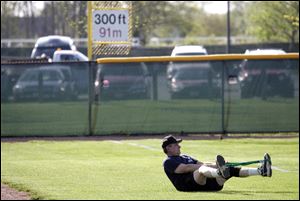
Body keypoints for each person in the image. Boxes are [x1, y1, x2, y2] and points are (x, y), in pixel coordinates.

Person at [162, 135, 272, 192]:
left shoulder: (185, 156)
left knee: (230, 169)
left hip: (207, 184)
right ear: (169, 148)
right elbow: (186, 168)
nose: (179, 146)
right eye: (176, 144)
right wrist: (212, 167)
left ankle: (261, 171)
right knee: (201, 169)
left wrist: (217, 164)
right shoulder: (168, 161)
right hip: (187, 186)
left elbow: (202, 163)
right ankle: (219, 172)